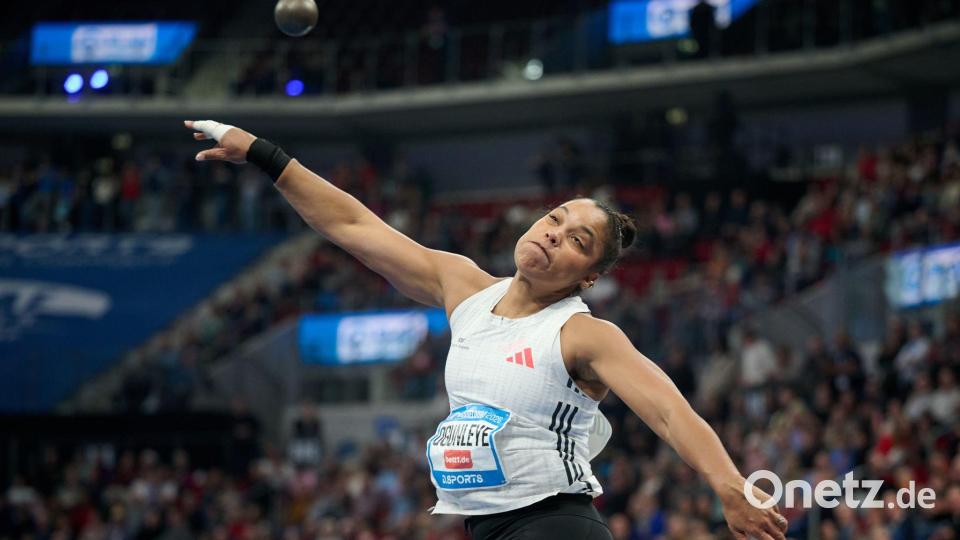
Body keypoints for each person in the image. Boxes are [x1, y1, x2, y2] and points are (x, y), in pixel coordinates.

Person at [184, 120, 789, 540]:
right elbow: (352, 225)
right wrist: (265, 155)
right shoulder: (464, 289)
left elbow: (670, 413)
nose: (554, 233)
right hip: (485, 528)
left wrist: (728, 485)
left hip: (553, 525)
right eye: (556, 218)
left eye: (577, 240)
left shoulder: (582, 335)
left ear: (589, 277)